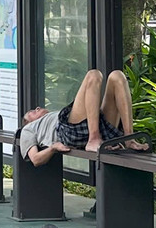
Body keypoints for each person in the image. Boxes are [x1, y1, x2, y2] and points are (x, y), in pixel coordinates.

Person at [18, 68, 147, 163]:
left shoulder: (51, 115)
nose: (37, 108)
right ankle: (93, 138)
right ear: (30, 122)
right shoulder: (28, 129)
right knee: (93, 75)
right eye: (31, 113)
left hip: (99, 126)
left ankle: (129, 139)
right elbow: (35, 159)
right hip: (68, 132)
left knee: (117, 76)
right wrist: (52, 148)